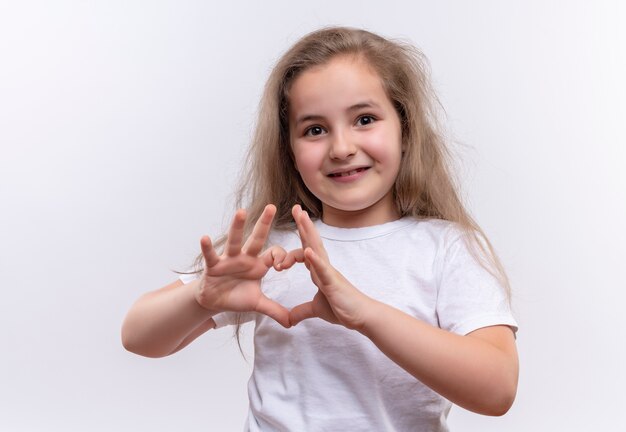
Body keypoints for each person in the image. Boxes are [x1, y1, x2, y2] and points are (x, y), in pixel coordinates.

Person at [121, 26, 519, 431]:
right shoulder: (272, 252)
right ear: (290, 151)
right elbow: (137, 335)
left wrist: (364, 314)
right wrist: (202, 298)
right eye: (315, 129)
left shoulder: (446, 248)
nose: (342, 148)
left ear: (405, 130)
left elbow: (497, 388)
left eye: (364, 119)